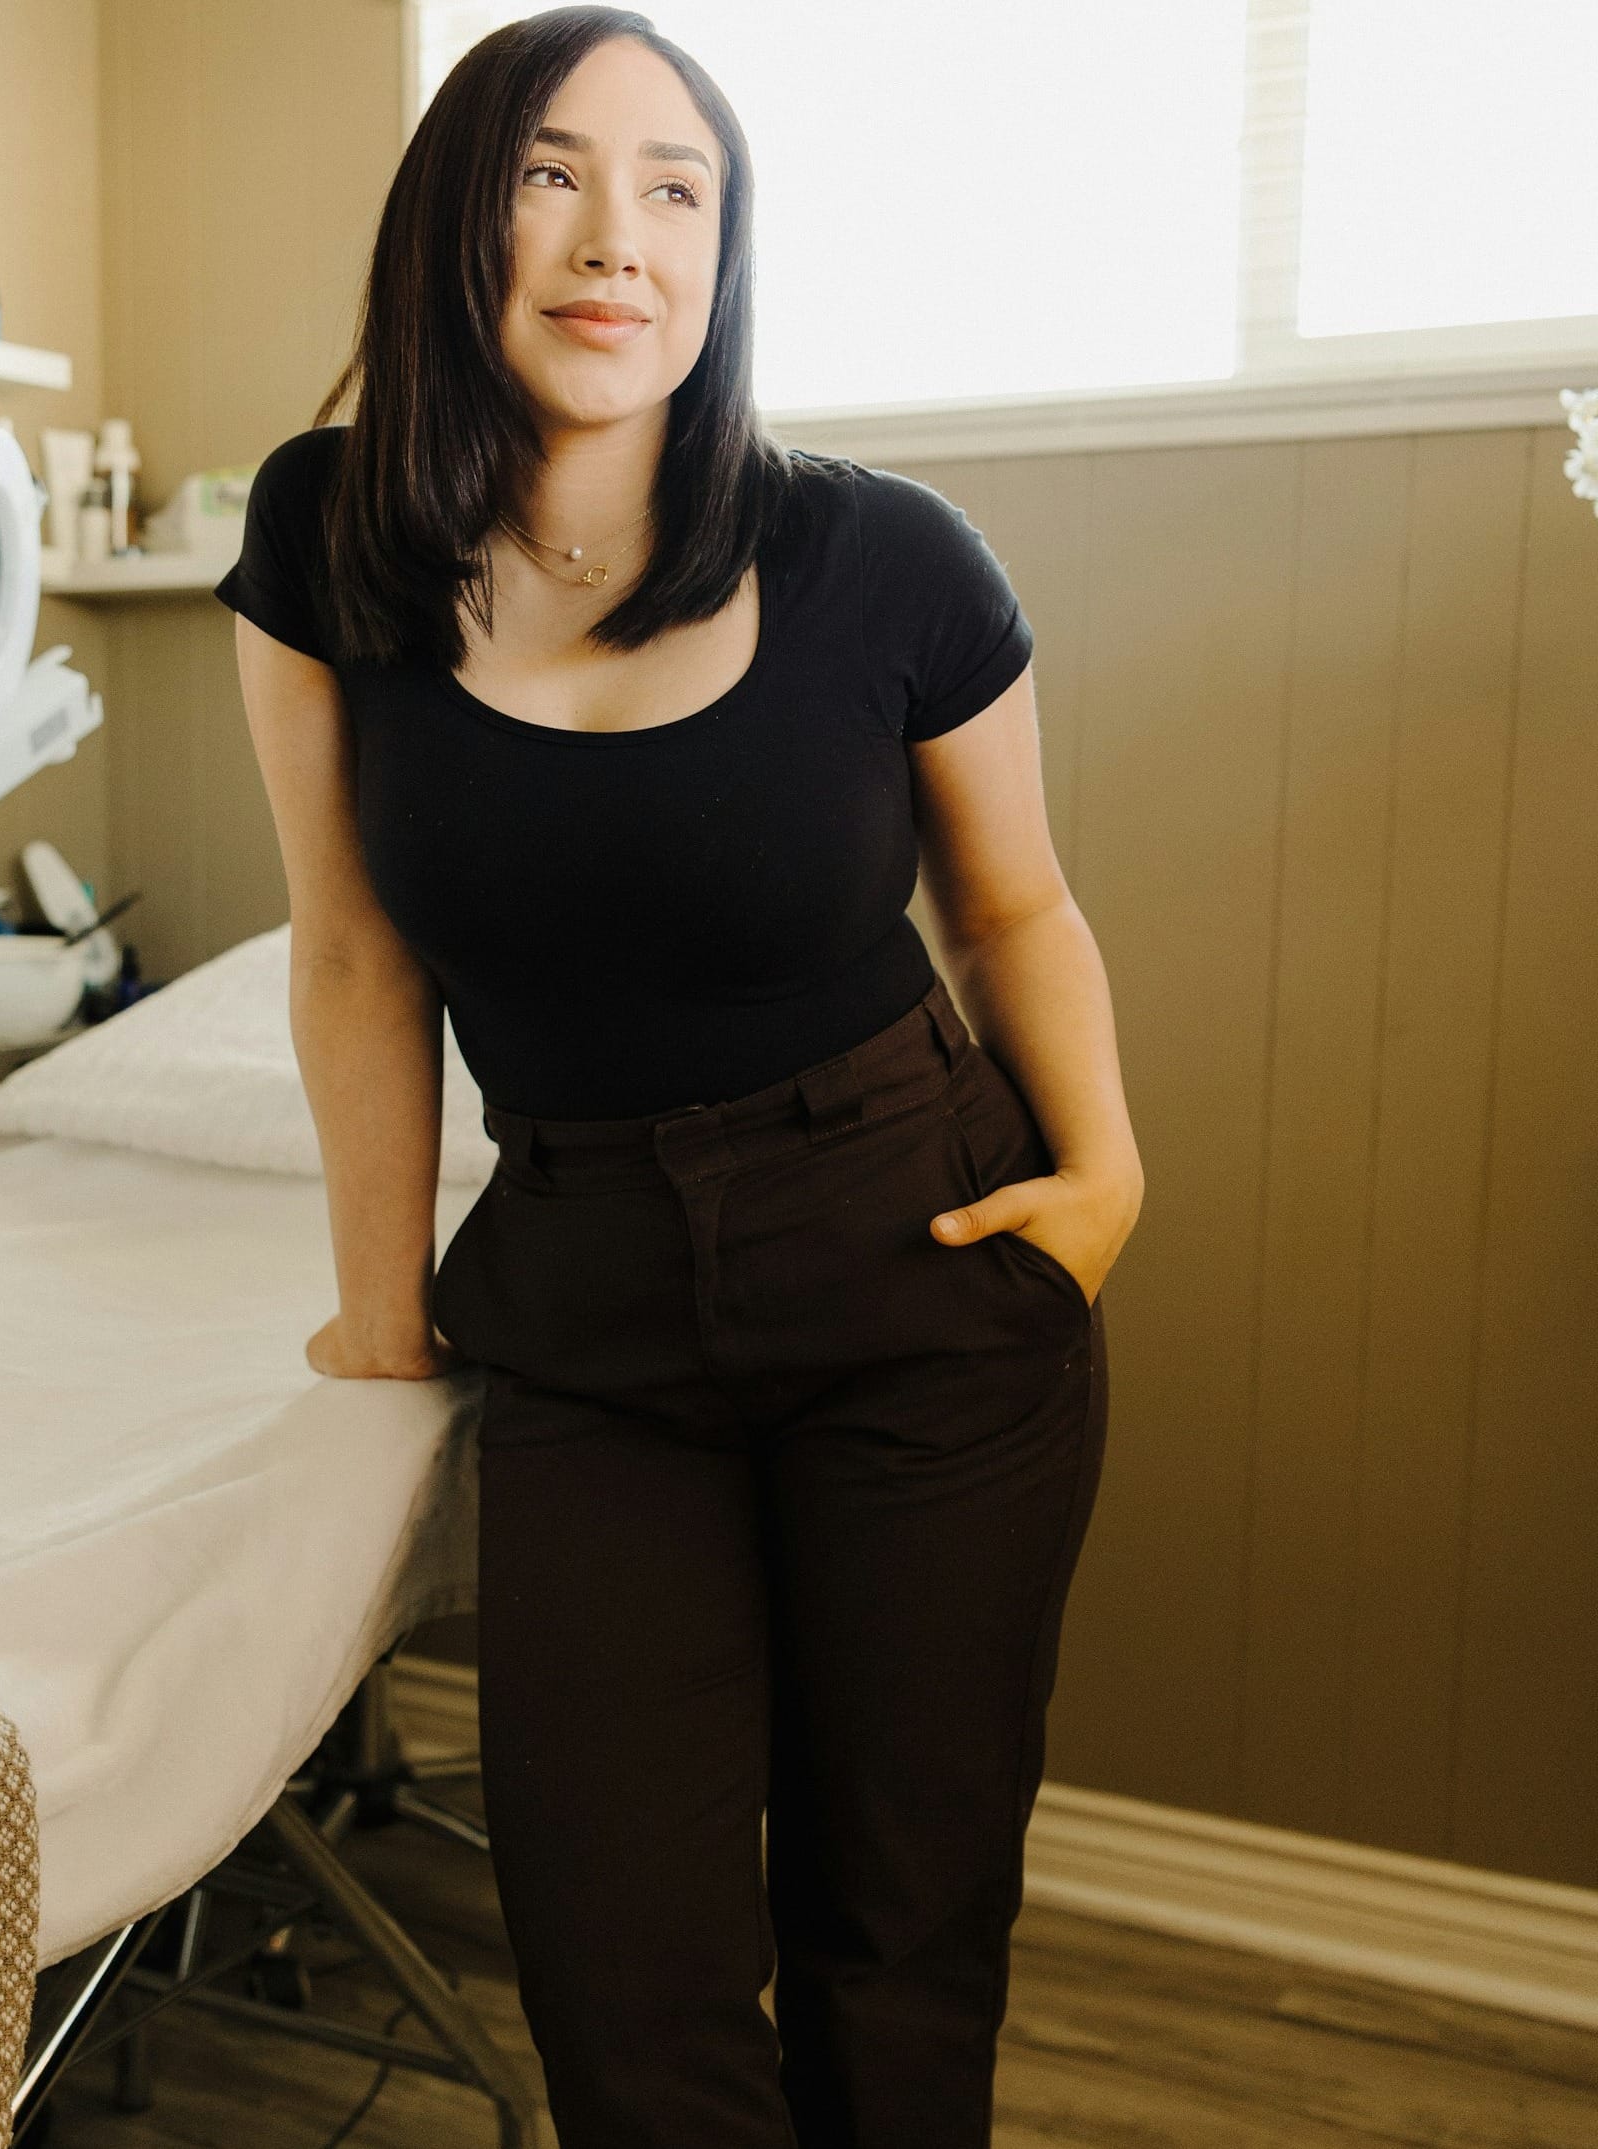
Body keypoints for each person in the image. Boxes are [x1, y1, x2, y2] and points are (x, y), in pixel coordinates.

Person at [216, 8, 1145, 2142]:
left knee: (896, 1947)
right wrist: (380, 1303)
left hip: (918, 1268)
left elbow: (1016, 911)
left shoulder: (882, 558)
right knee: (617, 1972)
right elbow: (355, 949)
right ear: (457, 218)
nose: (612, 236)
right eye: (550, 172)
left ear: (722, 260)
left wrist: (1104, 1180)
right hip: (588, 1310)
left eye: (675, 188)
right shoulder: (325, 537)